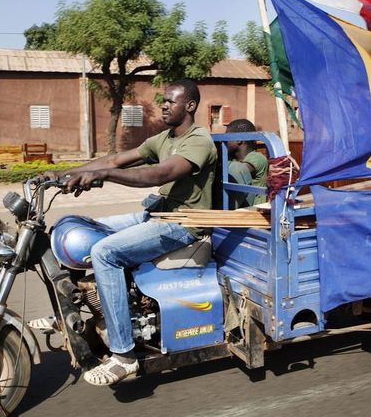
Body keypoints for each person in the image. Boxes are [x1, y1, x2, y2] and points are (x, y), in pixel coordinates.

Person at [39, 79, 216, 386]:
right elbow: (115, 159)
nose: (163, 105)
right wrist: (64, 174)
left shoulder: (199, 140)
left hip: (183, 224)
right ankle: (80, 311)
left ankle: (124, 356)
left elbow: (160, 174)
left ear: (189, 106)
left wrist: (105, 175)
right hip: (156, 212)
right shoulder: (164, 138)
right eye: (163, 100)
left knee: (104, 253)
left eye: (170, 101)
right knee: (82, 230)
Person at [225, 119, 269, 205]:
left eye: (227, 137)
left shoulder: (257, 157)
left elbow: (240, 171)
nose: (224, 142)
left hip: (255, 211)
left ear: (238, 140)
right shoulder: (233, 159)